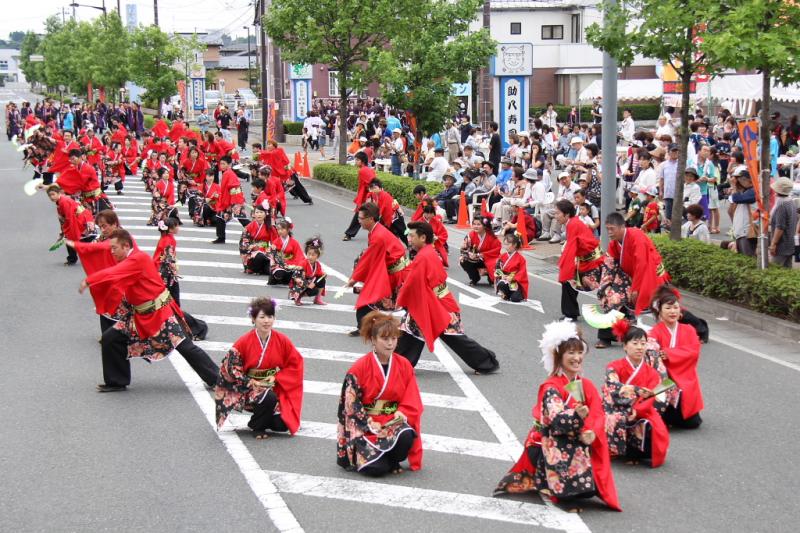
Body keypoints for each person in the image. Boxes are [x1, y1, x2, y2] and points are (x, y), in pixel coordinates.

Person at [494, 320, 621, 512]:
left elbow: (598, 412)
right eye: (571, 353)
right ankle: (560, 490)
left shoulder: (585, 384)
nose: (577, 358)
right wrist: (577, 416)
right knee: (566, 446)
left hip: (580, 439)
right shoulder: (551, 386)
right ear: (558, 356)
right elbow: (556, 420)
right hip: (551, 440)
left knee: (589, 479)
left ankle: (575, 483)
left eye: (580, 352)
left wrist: (592, 432)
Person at [78, 229, 219, 391]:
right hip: (139, 315)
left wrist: (89, 280)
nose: (112, 251)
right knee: (111, 338)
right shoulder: (128, 260)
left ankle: (217, 379)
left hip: (160, 314)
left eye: (114, 248)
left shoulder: (138, 259)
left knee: (185, 347)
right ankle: (117, 381)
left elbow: (113, 273)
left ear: (125, 246)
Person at [395, 221, 500, 374]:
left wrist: (401, 300)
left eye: (411, 236)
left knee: (453, 337)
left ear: (423, 237)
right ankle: (399, 364)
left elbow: (412, 283)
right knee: (411, 331)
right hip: (434, 300)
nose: (409, 239)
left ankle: (486, 361)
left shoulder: (424, 256)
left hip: (439, 304)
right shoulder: (427, 253)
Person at [336, 311, 423, 476]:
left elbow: (412, 398)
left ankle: (392, 458)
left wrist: (401, 413)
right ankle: (385, 461)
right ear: (373, 340)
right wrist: (369, 422)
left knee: (406, 435)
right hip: (367, 426)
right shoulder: (359, 368)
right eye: (385, 339)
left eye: (394, 339)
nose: (390, 344)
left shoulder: (404, 365)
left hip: (392, 421)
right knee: (377, 470)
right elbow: (350, 405)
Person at [214, 297, 304, 439]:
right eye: (262, 317)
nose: (266, 321)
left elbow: (295, 363)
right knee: (267, 397)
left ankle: (262, 418)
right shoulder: (243, 342)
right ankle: (258, 426)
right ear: (253, 319)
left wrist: (277, 377)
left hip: (273, 385)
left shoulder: (282, 340)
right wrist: (250, 382)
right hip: (248, 388)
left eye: (270, 316)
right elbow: (231, 368)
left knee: (282, 424)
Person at [602, 320, 670, 467]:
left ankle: (636, 453)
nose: (640, 347)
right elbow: (613, 387)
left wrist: (637, 409)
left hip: (642, 409)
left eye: (643, 343)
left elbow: (653, 395)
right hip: (616, 407)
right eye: (635, 343)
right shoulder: (613, 366)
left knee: (654, 426)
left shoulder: (651, 372)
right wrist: (637, 392)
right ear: (625, 346)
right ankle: (615, 449)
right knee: (616, 417)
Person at [345, 202, 409, 334]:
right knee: (371, 298)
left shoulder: (378, 236)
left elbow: (368, 261)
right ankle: (363, 326)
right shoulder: (376, 230)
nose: (359, 221)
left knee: (371, 297)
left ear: (371, 219)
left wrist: (354, 278)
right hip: (393, 269)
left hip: (396, 273)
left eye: (361, 218)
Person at [647, 286, 703, 429]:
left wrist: (669, 353)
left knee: (692, 423)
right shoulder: (654, 332)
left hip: (685, 374)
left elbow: (694, 351)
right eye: (668, 308)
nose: (673, 311)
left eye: (676, 308)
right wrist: (658, 353)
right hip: (665, 377)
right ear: (659, 310)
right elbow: (650, 352)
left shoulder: (689, 329)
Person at [152, 218, 208, 341]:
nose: (178, 228)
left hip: (162, 276)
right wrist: (173, 271)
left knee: (169, 307)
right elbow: (169, 260)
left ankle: (196, 328)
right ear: (171, 228)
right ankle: (198, 328)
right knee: (173, 307)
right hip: (166, 278)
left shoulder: (165, 239)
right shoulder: (169, 240)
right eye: (177, 226)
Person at [555, 200, 605, 321]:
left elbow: (571, 247)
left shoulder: (573, 224)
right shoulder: (573, 222)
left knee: (605, 289)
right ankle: (570, 313)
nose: (556, 216)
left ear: (566, 214)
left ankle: (570, 314)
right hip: (585, 260)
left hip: (592, 262)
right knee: (571, 283)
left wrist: (565, 268)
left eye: (558, 213)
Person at [46, 184, 95, 266]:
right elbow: (64, 219)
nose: (51, 197)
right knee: (79, 241)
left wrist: (69, 232)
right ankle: (74, 258)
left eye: (53, 194)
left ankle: (73, 259)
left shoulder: (64, 202)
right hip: (79, 219)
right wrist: (63, 232)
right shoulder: (60, 202)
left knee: (75, 240)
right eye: (49, 195)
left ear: (59, 193)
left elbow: (69, 218)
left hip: (81, 220)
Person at [459, 215, 501, 286]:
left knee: (497, 263)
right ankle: (474, 278)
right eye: (474, 224)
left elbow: (497, 250)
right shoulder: (471, 235)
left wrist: (482, 255)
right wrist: (469, 253)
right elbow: (463, 249)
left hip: (490, 258)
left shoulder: (491, 236)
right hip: (476, 258)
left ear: (484, 226)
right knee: (463, 259)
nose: (475, 226)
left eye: (478, 224)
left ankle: (491, 279)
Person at [211, 156, 246, 244]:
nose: (221, 165)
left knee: (242, 218)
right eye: (221, 163)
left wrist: (232, 203)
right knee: (220, 217)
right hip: (230, 199)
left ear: (229, 164)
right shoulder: (227, 173)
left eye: (224, 164)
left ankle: (257, 231)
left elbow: (234, 189)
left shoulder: (228, 173)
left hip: (234, 200)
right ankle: (221, 237)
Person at [343, 152, 375, 241]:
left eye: (357, 160)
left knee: (359, 215)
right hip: (368, 196)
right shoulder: (368, 169)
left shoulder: (363, 170)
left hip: (367, 197)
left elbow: (371, 184)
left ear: (362, 161)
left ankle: (349, 234)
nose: (355, 161)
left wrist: (369, 197)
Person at [768, 177, 798, 267]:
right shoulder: (790, 201)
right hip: (790, 242)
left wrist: (773, 244)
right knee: (787, 271)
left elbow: (780, 227)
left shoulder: (781, 204)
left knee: (774, 270)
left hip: (782, 245)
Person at [289, 236, 328, 306]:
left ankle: (317, 299)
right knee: (313, 290)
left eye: (313, 255)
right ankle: (298, 297)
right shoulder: (303, 263)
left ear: (317, 256)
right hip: (301, 282)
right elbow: (296, 275)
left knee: (322, 279)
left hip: (309, 282)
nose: (310, 257)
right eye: (309, 254)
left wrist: (323, 274)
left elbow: (319, 274)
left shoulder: (317, 264)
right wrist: (303, 282)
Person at [239, 204, 276, 275]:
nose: (259, 214)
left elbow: (276, 242)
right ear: (253, 214)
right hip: (252, 254)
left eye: (261, 212)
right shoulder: (249, 227)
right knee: (259, 256)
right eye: (257, 212)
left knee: (269, 271)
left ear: (266, 214)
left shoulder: (270, 227)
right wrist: (251, 247)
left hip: (266, 251)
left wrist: (272, 248)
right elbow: (243, 242)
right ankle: (252, 268)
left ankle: (261, 269)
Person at [267, 218, 305, 285]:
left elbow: (299, 255)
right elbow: (272, 256)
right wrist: (273, 251)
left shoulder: (294, 242)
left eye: (282, 229)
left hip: (291, 263)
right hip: (279, 264)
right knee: (279, 273)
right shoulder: (275, 242)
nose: (280, 231)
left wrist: (298, 265)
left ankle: (286, 279)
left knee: (295, 273)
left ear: (288, 230)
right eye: (278, 229)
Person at [495, 232, 529, 302]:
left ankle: (514, 294)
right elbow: (497, 268)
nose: (505, 246)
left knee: (515, 299)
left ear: (514, 245)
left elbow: (522, 272)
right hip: (504, 279)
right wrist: (502, 275)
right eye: (504, 244)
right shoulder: (502, 256)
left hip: (514, 281)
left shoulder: (521, 259)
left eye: (508, 244)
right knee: (502, 284)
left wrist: (513, 278)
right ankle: (506, 293)